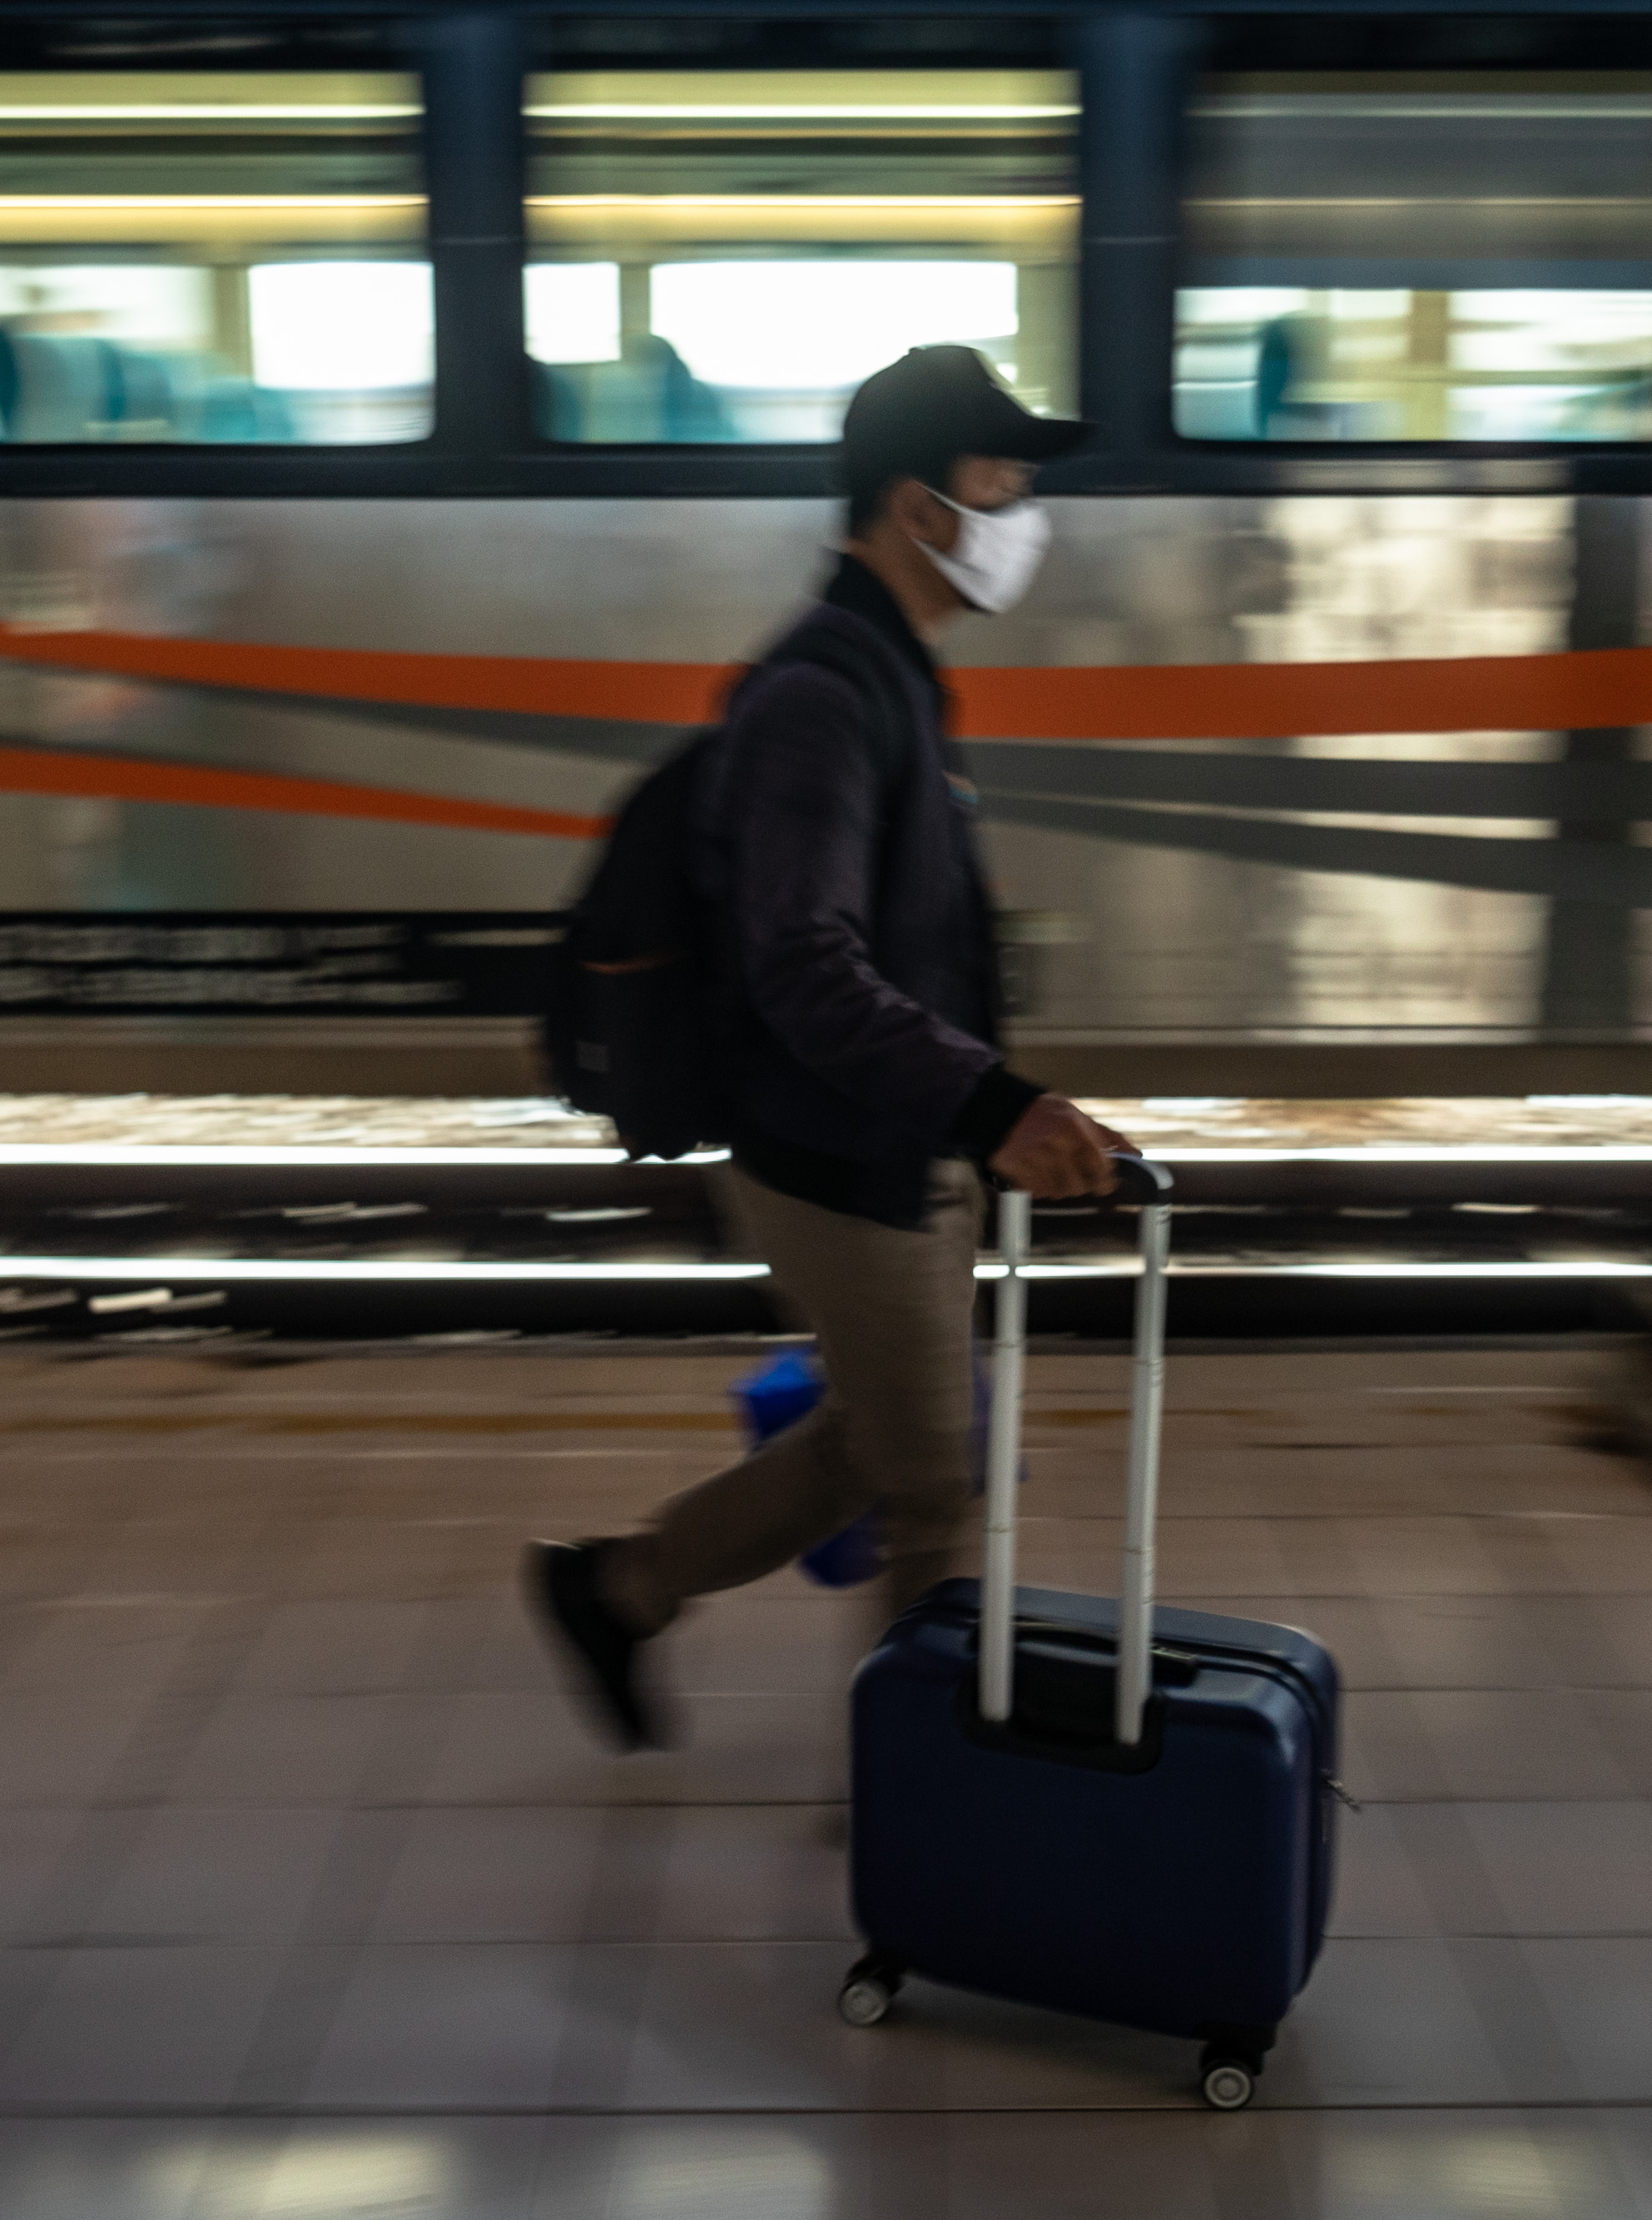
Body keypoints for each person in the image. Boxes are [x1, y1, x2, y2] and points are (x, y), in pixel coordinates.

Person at [527, 345, 1134, 1751]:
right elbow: (804, 964)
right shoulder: (821, 694)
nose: (1026, 505)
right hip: (839, 1153)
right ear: (923, 508)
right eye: (1006, 477)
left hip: (894, 1135)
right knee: (932, 1481)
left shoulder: (886, 673)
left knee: (882, 1442)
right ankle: (927, 1803)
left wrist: (976, 1110)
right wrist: (993, 1104)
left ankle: (616, 1592)